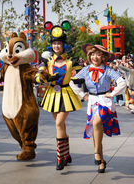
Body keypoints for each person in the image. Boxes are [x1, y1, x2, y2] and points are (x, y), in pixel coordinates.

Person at [70, 44, 126, 173]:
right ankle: (101, 160)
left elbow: (122, 82)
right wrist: (82, 94)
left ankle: (96, 152)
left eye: (98, 54)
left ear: (103, 57)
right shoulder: (85, 70)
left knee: (96, 123)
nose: (95, 57)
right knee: (96, 129)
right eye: (93, 54)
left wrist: (112, 94)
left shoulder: (107, 70)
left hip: (105, 101)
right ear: (89, 56)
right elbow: (73, 82)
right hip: (92, 101)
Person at [35, 25, 82, 170]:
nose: (56, 46)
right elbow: (38, 77)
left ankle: (60, 158)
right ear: (52, 45)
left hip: (66, 95)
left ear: (63, 45)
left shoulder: (71, 62)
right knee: (61, 125)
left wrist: (79, 75)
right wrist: (44, 78)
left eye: (59, 43)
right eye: (54, 43)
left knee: (58, 124)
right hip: (52, 95)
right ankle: (67, 155)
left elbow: (82, 73)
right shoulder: (47, 62)